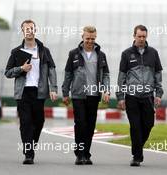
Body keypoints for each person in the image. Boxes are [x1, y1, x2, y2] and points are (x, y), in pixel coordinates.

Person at [5, 19, 58, 165]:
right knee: (26, 122)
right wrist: (20, 69)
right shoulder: (16, 52)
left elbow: (52, 70)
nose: (29, 31)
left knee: (39, 121)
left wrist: (53, 88)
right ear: (23, 31)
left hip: (39, 92)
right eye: (26, 29)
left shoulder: (43, 50)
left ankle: (30, 146)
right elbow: (8, 72)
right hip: (22, 93)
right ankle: (29, 153)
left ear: (35, 30)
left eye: (31, 28)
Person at [116, 25, 163, 166]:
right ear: (134, 36)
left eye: (144, 36)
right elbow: (121, 77)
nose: (141, 39)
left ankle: (137, 147)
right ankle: (137, 156)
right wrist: (120, 97)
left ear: (146, 36)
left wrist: (158, 93)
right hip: (131, 97)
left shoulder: (153, 53)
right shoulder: (126, 54)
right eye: (139, 36)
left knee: (148, 124)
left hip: (148, 96)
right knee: (135, 126)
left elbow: (158, 75)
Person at [62, 26, 110, 165]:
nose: (90, 41)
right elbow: (68, 74)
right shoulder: (74, 54)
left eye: (93, 39)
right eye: (87, 38)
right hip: (78, 94)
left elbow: (106, 75)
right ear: (82, 37)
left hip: (94, 95)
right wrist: (65, 93)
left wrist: (106, 90)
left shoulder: (101, 55)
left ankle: (86, 154)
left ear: (96, 38)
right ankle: (79, 154)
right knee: (80, 123)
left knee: (90, 125)